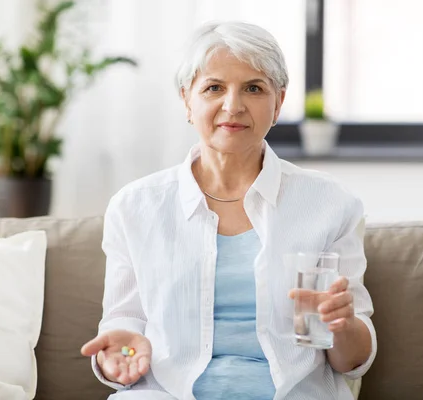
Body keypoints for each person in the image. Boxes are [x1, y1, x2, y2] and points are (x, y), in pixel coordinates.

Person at [81, 21, 376, 400]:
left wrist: (343, 324)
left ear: (279, 102)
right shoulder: (134, 207)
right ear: (188, 100)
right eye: (214, 88)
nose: (232, 106)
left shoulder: (330, 204)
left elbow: (352, 361)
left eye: (253, 88)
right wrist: (120, 354)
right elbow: (124, 323)